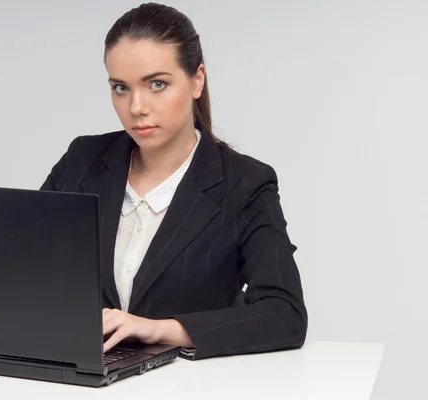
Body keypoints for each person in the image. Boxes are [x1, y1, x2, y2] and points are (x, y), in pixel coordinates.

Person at [40, 2, 307, 360]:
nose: (136, 107)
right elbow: (24, 269)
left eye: (157, 84)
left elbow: (285, 314)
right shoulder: (82, 160)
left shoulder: (245, 184)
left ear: (197, 80)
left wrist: (162, 329)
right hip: (79, 378)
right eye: (121, 88)